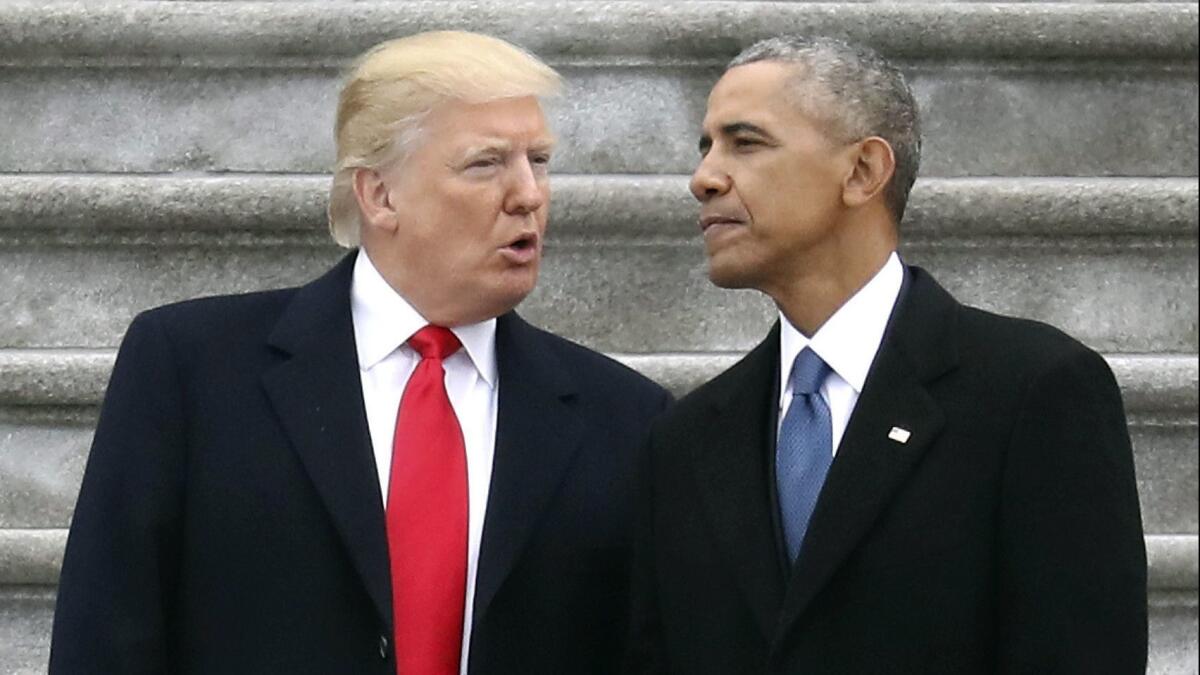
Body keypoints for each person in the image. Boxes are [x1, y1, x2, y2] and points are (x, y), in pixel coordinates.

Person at [50, 31, 671, 675]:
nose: (529, 195)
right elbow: (104, 637)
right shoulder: (191, 369)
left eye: (538, 160)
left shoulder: (624, 417)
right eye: (485, 163)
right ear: (379, 194)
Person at [625, 36, 1147, 673]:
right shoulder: (686, 438)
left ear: (864, 171)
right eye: (706, 147)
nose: (704, 178)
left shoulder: (1032, 391)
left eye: (747, 142)